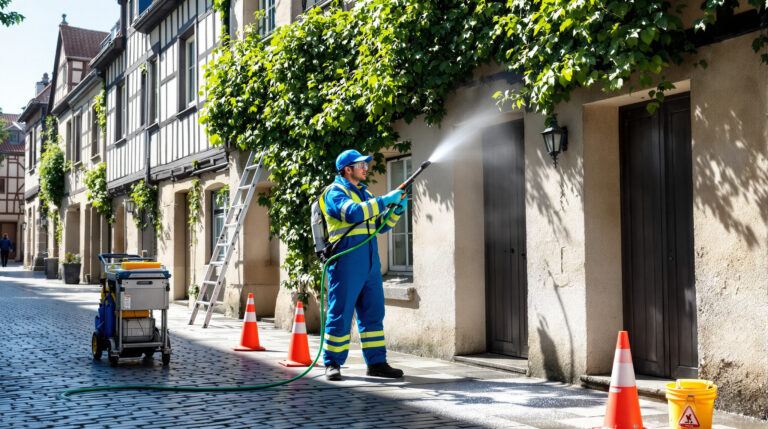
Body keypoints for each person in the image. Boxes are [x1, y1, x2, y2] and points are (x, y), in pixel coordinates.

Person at [319, 149, 408, 381]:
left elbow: (381, 225)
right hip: (346, 262)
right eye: (361, 165)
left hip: (369, 263)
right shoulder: (334, 192)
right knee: (340, 314)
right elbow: (353, 214)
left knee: (373, 314)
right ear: (348, 169)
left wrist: (395, 211)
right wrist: (384, 200)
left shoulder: (365, 193)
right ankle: (332, 363)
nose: (366, 168)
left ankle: (377, 363)